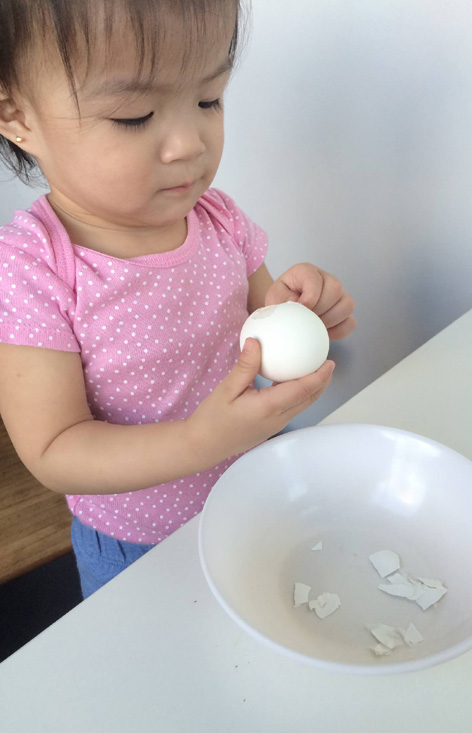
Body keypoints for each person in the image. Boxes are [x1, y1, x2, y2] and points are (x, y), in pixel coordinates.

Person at [0, 0, 356, 598]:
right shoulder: (33, 270)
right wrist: (201, 441)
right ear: (17, 115)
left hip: (256, 492)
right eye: (136, 115)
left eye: (209, 99)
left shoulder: (217, 218)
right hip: (140, 543)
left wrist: (306, 309)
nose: (189, 143)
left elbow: (265, 324)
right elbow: (54, 449)